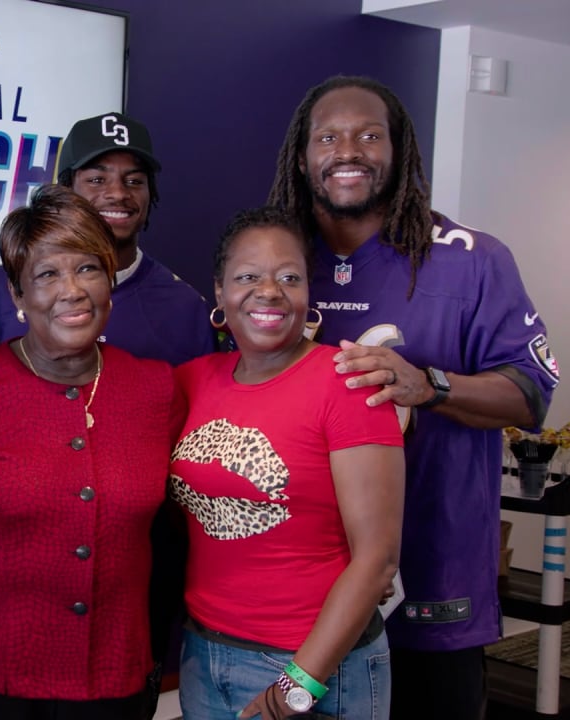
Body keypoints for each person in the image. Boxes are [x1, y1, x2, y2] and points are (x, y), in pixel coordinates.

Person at [267, 75, 559, 720]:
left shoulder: (471, 259)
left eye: (370, 136)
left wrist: (430, 386)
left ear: (400, 151)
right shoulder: (274, 258)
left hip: (433, 574)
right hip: (294, 585)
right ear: (301, 154)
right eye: (328, 137)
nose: (349, 150)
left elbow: (530, 394)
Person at [0, 184, 184, 720]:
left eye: (89, 269)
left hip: (118, 693)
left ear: (110, 283)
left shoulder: (156, 390)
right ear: (17, 295)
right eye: (48, 274)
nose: (71, 290)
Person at [170, 206, 404, 720]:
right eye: (248, 277)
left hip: (317, 666)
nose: (269, 291)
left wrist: (299, 685)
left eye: (289, 277)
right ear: (219, 291)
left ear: (308, 292)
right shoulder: (191, 381)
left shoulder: (347, 383)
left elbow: (378, 559)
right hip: (205, 655)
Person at [0, 111, 215, 367]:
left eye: (134, 180)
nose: (117, 193)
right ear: (66, 189)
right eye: (96, 180)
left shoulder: (186, 307)